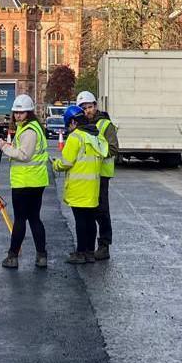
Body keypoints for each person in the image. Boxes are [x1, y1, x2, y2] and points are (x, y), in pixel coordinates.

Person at [0, 94, 50, 270]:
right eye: (16, 112)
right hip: (36, 181)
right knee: (34, 218)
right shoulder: (31, 127)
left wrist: (5, 148)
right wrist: (11, 147)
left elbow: (24, 155)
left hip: (25, 183)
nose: (18, 115)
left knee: (21, 220)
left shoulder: (29, 130)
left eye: (22, 112)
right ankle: (41, 256)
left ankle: (13, 256)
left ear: (29, 112)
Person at [52, 105, 107, 264]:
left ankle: (80, 253)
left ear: (74, 122)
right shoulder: (95, 135)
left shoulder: (76, 137)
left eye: (69, 124)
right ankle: (90, 252)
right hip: (93, 187)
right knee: (90, 221)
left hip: (79, 187)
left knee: (80, 222)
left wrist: (56, 164)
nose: (68, 128)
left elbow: (66, 162)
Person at [77, 90, 118, 261]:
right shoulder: (82, 126)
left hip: (101, 174)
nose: (87, 111)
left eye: (90, 107)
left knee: (101, 211)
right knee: (89, 211)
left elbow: (113, 148)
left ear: (95, 106)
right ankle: (89, 246)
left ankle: (104, 245)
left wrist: (96, 154)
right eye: (84, 108)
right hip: (87, 174)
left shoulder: (105, 124)